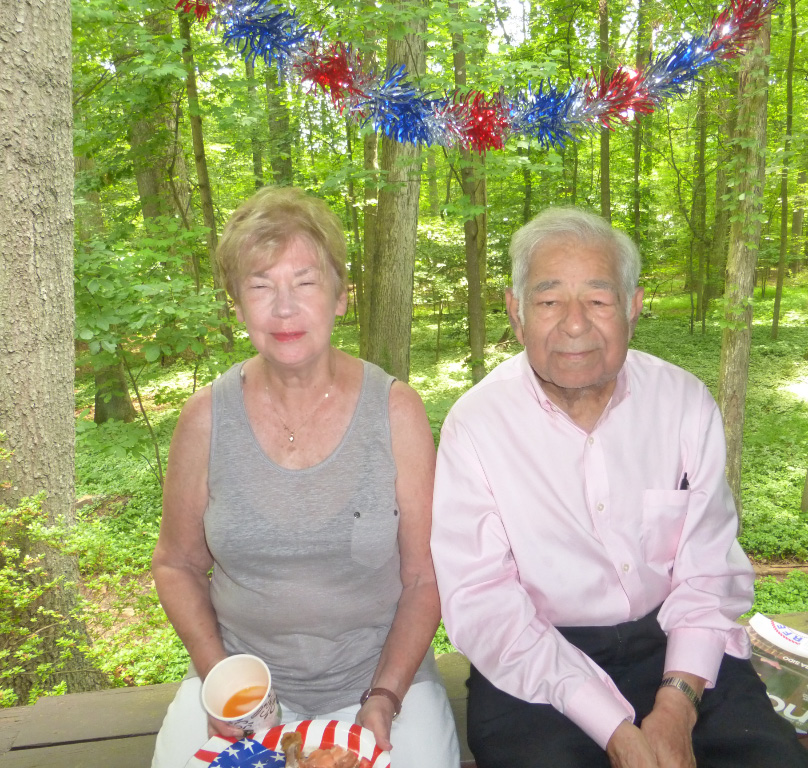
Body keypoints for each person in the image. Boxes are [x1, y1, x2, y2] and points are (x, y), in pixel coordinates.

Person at [430, 207, 808, 768]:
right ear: (516, 312)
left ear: (632, 308)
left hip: (676, 640)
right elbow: (483, 601)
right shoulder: (476, 425)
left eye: (598, 300)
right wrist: (614, 727)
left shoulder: (683, 404)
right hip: (537, 656)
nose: (574, 324)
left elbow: (707, 571)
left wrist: (676, 706)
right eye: (549, 301)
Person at [151, 187, 459, 768]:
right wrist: (220, 677)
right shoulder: (205, 418)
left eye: (305, 282)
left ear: (341, 297)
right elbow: (176, 563)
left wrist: (384, 696)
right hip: (242, 686)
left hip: (380, 685)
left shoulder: (396, 412)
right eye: (260, 286)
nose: (284, 308)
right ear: (237, 306)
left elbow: (425, 577)